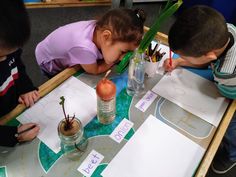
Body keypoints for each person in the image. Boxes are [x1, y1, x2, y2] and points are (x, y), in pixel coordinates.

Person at [163, 5, 236, 174]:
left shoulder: (226, 76)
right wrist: (180, 62)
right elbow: (210, 61)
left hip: (231, 89)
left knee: (230, 122)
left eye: (185, 57)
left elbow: (225, 95)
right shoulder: (228, 30)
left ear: (209, 55)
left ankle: (232, 154)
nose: (181, 58)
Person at [35, 8, 146, 77]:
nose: (123, 57)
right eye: (123, 51)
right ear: (106, 36)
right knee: (60, 83)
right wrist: (111, 62)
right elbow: (95, 70)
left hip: (59, 43)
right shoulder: (84, 48)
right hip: (49, 61)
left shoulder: (101, 29)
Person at [0, 0, 40, 147]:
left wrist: (26, 87)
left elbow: (17, 67)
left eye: (13, 51)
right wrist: (13, 135)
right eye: (0, 56)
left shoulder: (9, 48)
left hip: (12, 106)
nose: (6, 60)